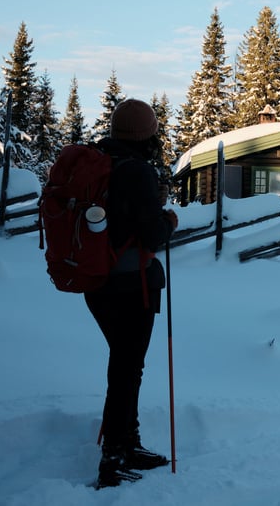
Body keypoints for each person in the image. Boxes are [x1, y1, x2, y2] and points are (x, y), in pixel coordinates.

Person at [88, 98, 178, 489]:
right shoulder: (137, 172)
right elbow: (153, 235)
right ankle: (113, 458)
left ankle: (127, 441)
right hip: (131, 286)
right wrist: (168, 221)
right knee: (127, 369)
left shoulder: (100, 161)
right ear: (146, 135)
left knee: (124, 365)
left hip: (97, 284)